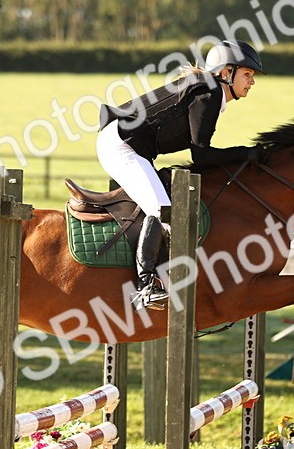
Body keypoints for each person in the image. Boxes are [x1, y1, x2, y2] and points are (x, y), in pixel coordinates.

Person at [96, 39, 266, 309]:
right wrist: (248, 154)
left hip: (129, 146)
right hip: (121, 147)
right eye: (247, 74)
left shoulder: (208, 92)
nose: (252, 82)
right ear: (226, 73)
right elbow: (202, 156)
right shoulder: (208, 95)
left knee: (164, 205)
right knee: (164, 210)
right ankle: (146, 286)